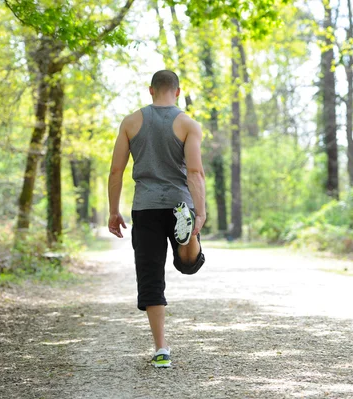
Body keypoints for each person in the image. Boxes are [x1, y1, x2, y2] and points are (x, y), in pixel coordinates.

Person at [107, 70, 206, 368]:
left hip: (145, 207)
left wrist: (113, 210)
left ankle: (161, 349)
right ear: (177, 92)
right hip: (180, 204)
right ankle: (187, 237)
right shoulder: (188, 124)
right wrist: (199, 212)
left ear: (151, 90)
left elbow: (116, 171)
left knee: (151, 276)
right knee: (188, 265)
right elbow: (194, 172)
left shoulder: (131, 122)